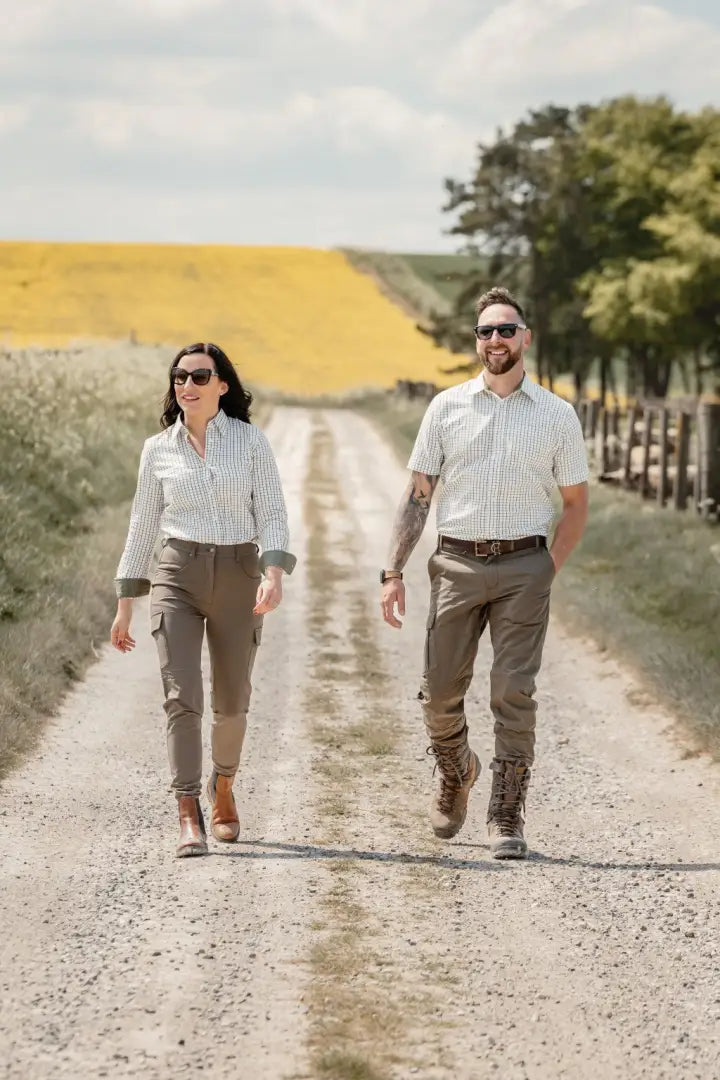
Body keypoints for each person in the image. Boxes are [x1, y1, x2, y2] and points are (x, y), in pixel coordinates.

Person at [380, 287, 589, 859]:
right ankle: (457, 770)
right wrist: (392, 570)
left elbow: (575, 503)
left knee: (513, 690)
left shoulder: (557, 415)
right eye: (485, 332)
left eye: (505, 329)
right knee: (440, 691)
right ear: (476, 342)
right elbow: (419, 494)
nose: (494, 340)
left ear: (525, 337)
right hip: (456, 563)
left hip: (525, 565)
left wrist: (548, 567)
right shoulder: (446, 408)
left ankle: (506, 812)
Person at [111, 343, 295, 858]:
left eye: (199, 376)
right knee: (181, 695)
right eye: (179, 377)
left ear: (222, 385)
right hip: (177, 574)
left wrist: (273, 573)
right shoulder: (158, 449)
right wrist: (126, 600)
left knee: (232, 699)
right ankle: (188, 809)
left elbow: (274, 513)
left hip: (239, 572)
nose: (186, 385)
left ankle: (224, 787)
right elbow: (142, 525)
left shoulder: (252, 443)